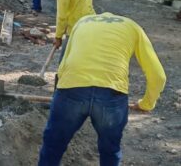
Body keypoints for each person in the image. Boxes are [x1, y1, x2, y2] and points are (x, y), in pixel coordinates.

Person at [38, 12, 166, 166]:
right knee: (110, 151)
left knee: (52, 146)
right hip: (111, 93)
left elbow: (63, 65)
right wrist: (146, 104)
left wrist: (61, 96)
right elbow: (158, 76)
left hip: (72, 88)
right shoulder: (133, 27)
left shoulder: (82, 21)